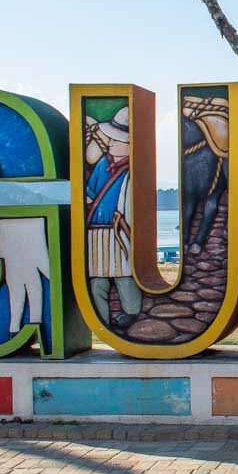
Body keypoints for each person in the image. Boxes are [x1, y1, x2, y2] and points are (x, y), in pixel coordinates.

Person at [84, 107, 143, 329]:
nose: (111, 143)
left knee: (123, 273)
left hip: (118, 229)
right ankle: (102, 319)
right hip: (95, 230)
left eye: (117, 140)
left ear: (129, 145)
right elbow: (91, 192)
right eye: (111, 138)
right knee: (97, 278)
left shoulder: (133, 171)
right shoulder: (102, 164)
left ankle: (132, 311)